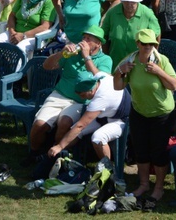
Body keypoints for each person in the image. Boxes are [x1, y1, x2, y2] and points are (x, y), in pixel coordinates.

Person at [25, 25, 112, 165]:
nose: (84, 41)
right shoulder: (72, 54)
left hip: (80, 101)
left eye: (89, 39)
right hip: (60, 95)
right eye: (84, 37)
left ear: (98, 43)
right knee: (40, 124)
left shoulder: (105, 60)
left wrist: (87, 57)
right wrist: (61, 53)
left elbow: (104, 79)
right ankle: (34, 153)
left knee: (64, 123)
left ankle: (54, 157)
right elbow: (47, 66)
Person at [113, 29, 176, 209]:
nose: (148, 47)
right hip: (139, 112)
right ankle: (143, 184)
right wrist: (120, 71)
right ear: (138, 44)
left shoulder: (161, 60)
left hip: (162, 114)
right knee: (140, 149)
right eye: (145, 44)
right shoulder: (130, 60)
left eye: (151, 44)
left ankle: (159, 187)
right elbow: (117, 87)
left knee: (158, 152)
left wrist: (159, 72)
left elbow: (174, 85)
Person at [46, 73, 129, 164]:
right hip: (105, 115)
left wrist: (60, 146)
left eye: (82, 95)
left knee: (98, 138)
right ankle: (65, 158)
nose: (81, 97)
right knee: (74, 131)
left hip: (122, 120)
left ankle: (108, 169)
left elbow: (80, 126)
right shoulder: (100, 77)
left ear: (91, 90)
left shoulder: (101, 98)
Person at [102, 0, 160, 67]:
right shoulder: (112, 13)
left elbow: (157, 34)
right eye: (126, 1)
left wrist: (152, 56)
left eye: (132, 1)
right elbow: (104, 35)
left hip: (139, 63)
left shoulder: (148, 14)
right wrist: (106, 57)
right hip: (116, 61)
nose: (129, 4)